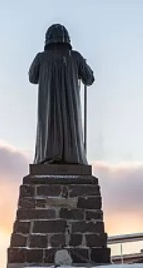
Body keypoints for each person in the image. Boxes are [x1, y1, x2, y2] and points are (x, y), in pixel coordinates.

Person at [29, 23, 95, 165]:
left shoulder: (41, 58)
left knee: (49, 124)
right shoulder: (75, 57)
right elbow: (89, 79)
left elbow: (32, 78)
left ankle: (49, 155)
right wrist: (81, 66)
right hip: (70, 107)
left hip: (48, 105)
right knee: (70, 123)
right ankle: (72, 156)